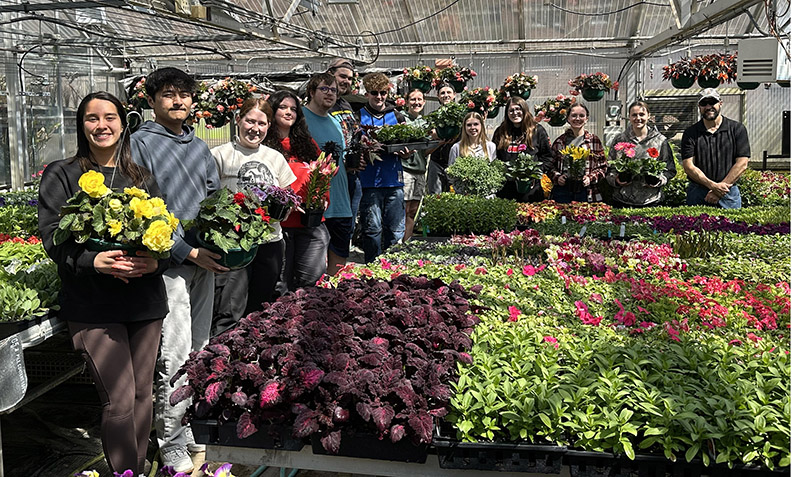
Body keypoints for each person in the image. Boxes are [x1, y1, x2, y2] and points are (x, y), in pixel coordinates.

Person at [38, 92, 168, 476]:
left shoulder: (141, 176)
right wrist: (92, 260)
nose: (102, 125)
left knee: (144, 395)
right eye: (92, 118)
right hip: (93, 305)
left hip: (143, 301)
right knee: (120, 400)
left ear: (122, 123)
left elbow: (163, 232)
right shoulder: (61, 174)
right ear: (82, 125)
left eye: (109, 116)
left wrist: (154, 260)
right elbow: (50, 237)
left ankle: (137, 470)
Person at [130, 67, 223, 474]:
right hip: (170, 265)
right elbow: (142, 213)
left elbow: (216, 200)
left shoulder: (201, 147)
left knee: (200, 347)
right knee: (175, 354)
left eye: (184, 95)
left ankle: (190, 430)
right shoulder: (139, 145)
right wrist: (188, 251)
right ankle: (170, 443)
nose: (178, 102)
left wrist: (223, 241)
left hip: (203, 262)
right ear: (152, 101)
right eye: (168, 95)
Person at [209, 97, 296, 335]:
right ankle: (221, 354)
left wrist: (284, 207)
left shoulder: (274, 157)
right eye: (250, 121)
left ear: (269, 126)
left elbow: (288, 193)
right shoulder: (219, 155)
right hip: (234, 245)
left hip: (270, 242)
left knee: (262, 305)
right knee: (229, 308)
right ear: (238, 120)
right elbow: (207, 198)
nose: (255, 129)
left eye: (262, 123)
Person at [264, 91, 328, 292]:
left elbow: (322, 172)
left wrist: (323, 198)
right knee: (279, 283)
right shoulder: (264, 145)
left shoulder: (307, 144)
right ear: (272, 112)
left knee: (311, 277)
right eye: (283, 107)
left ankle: (303, 318)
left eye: (293, 109)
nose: (288, 112)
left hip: (309, 222)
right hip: (278, 224)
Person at [356, 72, 408, 263]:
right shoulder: (358, 117)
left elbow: (409, 144)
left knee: (395, 231)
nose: (379, 97)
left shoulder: (397, 116)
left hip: (394, 180)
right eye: (374, 93)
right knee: (372, 230)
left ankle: (394, 269)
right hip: (369, 182)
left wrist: (408, 152)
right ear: (367, 94)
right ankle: (372, 268)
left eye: (383, 93)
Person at [303, 73, 351, 276]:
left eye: (333, 90)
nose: (330, 94)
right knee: (312, 263)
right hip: (315, 203)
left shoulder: (335, 122)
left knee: (339, 256)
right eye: (324, 89)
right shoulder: (301, 119)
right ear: (312, 92)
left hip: (340, 201)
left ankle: (334, 297)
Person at [680, 88, 750, 208]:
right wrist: (713, 186)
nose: (708, 107)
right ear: (699, 106)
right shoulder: (690, 133)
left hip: (728, 193)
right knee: (695, 226)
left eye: (712, 102)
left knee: (732, 226)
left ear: (720, 103)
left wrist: (720, 189)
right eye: (704, 103)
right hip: (698, 193)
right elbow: (689, 166)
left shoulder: (737, 129)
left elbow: (742, 163)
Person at [606, 101, 677, 207]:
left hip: (651, 201)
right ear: (629, 117)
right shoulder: (620, 139)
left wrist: (658, 180)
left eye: (642, 114)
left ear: (648, 115)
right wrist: (615, 180)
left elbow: (670, 170)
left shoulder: (660, 141)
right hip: (622, 200)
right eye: (634, 115)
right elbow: (609, 168)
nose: (638, 118)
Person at [326, 58, 363, 246]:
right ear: (330, 74)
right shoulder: (324, 106)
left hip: (352, 176)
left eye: (349, 78)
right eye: (342, 76)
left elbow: (353, 135)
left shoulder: (345, 105)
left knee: (345, 228)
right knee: (330, 229)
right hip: (332, 175)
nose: (346, 81)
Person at [491, 96, 553, 202]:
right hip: (506, 189)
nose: (515, 113)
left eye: (518, 109)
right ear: (507, 113)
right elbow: (494, 158)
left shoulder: (537, 130)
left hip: (531, 190)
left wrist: (535, 172)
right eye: (511, 110)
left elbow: (548, 157)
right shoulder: (501, 132)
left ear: (524, 110)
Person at [549, 102, 607, 203]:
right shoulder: (560, 142)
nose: (577, 118)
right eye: (574, 115)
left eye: (581, 115)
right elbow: (550, 166)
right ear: (568, 118)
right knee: (561, 217)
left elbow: (603, 167)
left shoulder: (593, 140)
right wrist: (557, 177)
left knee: (584, 217)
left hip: (586, 191)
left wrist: (590, 178)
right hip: (563, 190)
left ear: (586, 119)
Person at [401, 89, 428, 241]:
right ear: (406, 102)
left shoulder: (425, 123)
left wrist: (441, 140)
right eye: (413, 99)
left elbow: (425, 151)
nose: (416, 102)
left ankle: (407, 242)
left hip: (420, 170)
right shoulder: (402, 119)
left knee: (413, 210)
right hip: (406, 169)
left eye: (419, 99)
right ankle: (397, 243)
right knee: (404, 209)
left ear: (424, 102)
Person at [426, 83, 457, 194]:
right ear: (438, 96)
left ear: (454, 95)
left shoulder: (461, 115)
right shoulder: (434, 116)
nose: (446, 95)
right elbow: (427, 138)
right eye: (442, 93)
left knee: (456, 195)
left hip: (456, 161)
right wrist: (435, 136)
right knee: (435, 195)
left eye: (448, 92)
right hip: (436, 161)